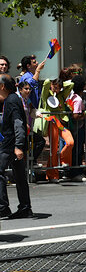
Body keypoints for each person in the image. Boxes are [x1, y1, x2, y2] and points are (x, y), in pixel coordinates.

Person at [0, 74, 32, 219]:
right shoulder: (12, 99)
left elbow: (18, 123)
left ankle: (2, 207)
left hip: (11, 144)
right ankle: (25, 208)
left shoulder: (11, 100)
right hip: (14, 143)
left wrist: (18, 146)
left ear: (2, 86)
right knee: (19, 176)